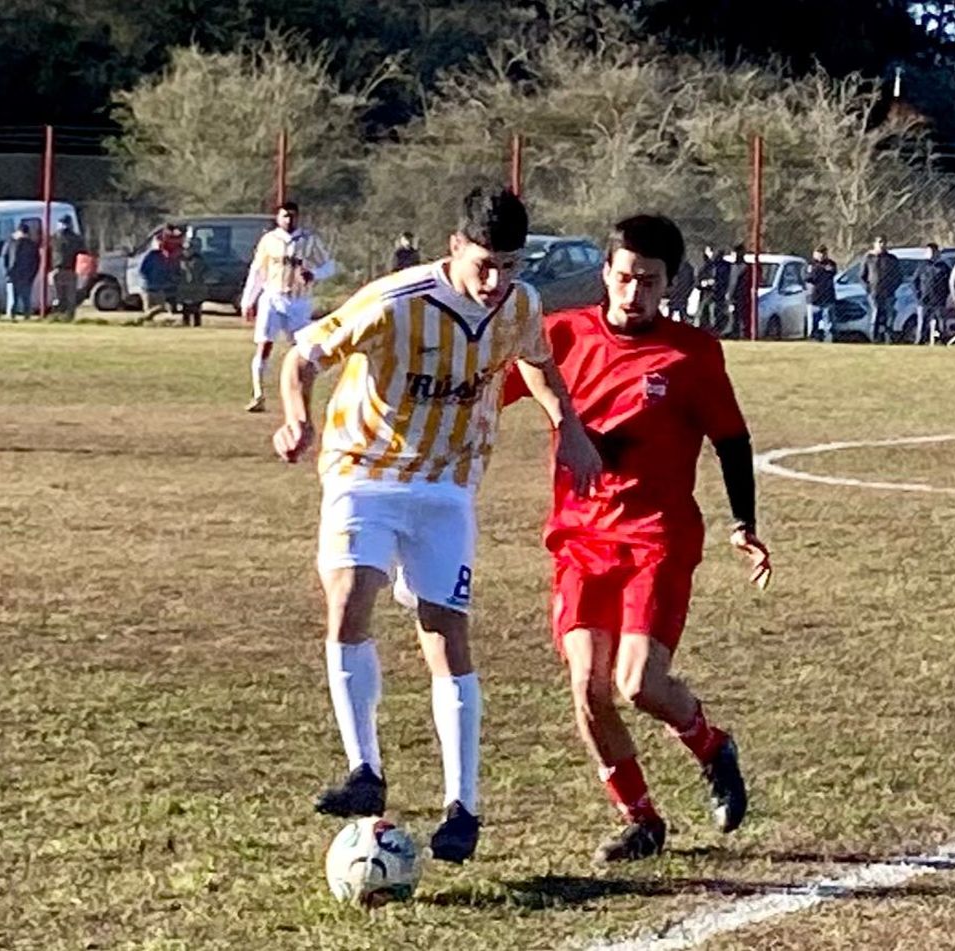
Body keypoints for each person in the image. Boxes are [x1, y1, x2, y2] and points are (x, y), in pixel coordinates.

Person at [272, 186, 603, 865]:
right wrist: (298, 416)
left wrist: (566, 425)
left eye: (510, 265)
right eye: (485, 264)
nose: (496, 281)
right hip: (365, 470)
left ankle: (463, 805)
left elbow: (540, 362)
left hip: (447, 486)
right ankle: (365, 769)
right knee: (348, 600)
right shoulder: (395, 302)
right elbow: (302, 356)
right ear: (454, 248)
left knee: (445, 634)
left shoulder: (520, 307)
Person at [504, 214, 769, 863]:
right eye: (623, 277)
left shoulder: (692, 353)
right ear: (606, 274)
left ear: (669, 282)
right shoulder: (561, 336)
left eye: (647, 281)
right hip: (579, 538)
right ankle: (641, 817)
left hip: (657, 537)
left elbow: (731, 439)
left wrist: (744, 524)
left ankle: (711, 744)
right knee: (587, 688)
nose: (633, 292)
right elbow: (485, 395)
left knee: (639, 683)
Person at [242, 201, 336, 413]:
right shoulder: (269, 240)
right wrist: (249, 300)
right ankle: (258, 394)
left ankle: (301, 393)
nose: (289, 219)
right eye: (285, 216)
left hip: (298, 301)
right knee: (264, 345)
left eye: (292, 215)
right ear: (278, 218)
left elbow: (329, 266)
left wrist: (314, 274)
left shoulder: (308, 240)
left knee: (303, 348)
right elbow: (257, 270)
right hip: (272, 297)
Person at [860, 236, 900, 343]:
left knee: (889, 316)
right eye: (880, 242)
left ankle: (889, 338)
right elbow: (862, 276)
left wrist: (893, 288)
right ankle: (874, 338)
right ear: (875, 244)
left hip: (889, 293)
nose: (882, 244)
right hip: (874, 293)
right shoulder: (869, 258)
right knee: (875, 314)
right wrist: (868, 289)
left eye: (884, 242)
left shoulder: (892, 259)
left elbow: (898, 276)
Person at [913, 243, 952, 345]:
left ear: (938, 253)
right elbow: (915, 282)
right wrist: (918, 295)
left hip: (939, 300)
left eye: (934, 252)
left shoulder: (944, 267)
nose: (932, 254)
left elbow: (949, 282)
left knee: (941, 323)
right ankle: (920, 340)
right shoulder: (922, 266)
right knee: (922, 322)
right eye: (929, 251)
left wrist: (945, 295)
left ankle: (942, 340)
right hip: (924, 300)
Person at [2, 223, 40, 320]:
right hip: (16, 275)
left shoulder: (27, 245)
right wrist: (7, 272)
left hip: (24, 276)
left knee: (24, 298)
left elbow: (36, 261)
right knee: (15, 298)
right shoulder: (12, 243)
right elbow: (5, 258)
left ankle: (24, 316)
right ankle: (12, 315)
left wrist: (32, 274)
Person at [51, 218, 86, 320]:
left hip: (58, 269)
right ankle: (69, 317)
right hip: (70, 269)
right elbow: (83, 250)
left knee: (58, 296)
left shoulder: (54, 238)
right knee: (70, 297)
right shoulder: (75, 238)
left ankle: (58, 316)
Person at [138, 234, 178, 319]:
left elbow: (169, 271)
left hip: (159, 289)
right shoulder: (150, 256)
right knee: (149, 311)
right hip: (148, 288)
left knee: (161, 309)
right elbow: (142, 271)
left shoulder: (165, 257)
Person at [805, 245, 837, 342]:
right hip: (814, 298)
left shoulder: (831, 264)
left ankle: (828, 339)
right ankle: (813, 338)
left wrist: (822, 269)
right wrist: (819, 269)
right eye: (819, 253)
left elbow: (831, 273)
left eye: (823, 253)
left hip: (828, 297)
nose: (821, 256)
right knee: (813, 322)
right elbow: (809, 278)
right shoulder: (811, 265)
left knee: (828, 322)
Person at [180, 236, 209, 327]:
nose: (187, 251)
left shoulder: (199, 260)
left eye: (189, 249)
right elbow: (175, 273)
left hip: (197, 288)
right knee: (185, 308)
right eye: (185, 249)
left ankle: (197, 324)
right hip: (184, 288)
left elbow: (206, 272)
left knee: (196, 307)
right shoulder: (180, 260)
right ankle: (185, 323)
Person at [726, 245, 751, 339]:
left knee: (740, 315)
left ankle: (741, 332)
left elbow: (736, 282)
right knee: (734, 314)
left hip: (742, 295)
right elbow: (731, 282)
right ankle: (734, 330)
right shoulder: (733, 267)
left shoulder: (746, 268)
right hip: (735, 295)